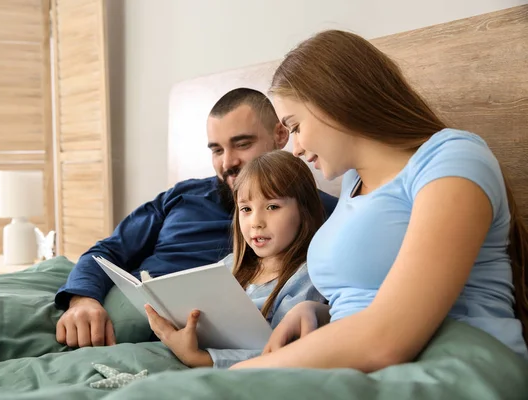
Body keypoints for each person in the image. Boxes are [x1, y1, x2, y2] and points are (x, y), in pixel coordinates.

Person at [230, 30, 528, 370]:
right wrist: (321, 311)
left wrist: (239, 374)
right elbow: (381, 299)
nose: (294, 147)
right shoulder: (353, 183)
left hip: (453, 362)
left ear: (334, 100)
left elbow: (388, 339)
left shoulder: (452, 159)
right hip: (369, 360)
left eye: (295, 127)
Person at [54, 88, 339, 348]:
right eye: (217, 150)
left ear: (280, 135)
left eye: (242, 144)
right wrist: (82, 300)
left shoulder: (318, 215)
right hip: (102, 311)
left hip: (172, 339)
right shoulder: (183, 195)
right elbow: (107, 250)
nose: (227, 162)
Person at [144, 150, 328, 368]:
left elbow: (282, 354)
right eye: (246, 209)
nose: (256, 222)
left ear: (304, 210)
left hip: (237, 371)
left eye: (272, 207)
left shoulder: (308, 276)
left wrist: (199, 359)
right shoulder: (230, 265)